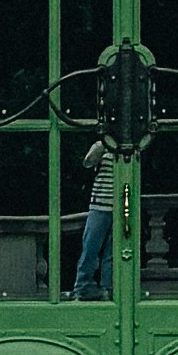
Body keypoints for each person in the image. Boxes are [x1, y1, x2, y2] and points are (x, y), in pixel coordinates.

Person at [71, 129, 117, 300]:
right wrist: (102, 146)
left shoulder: (128, 147)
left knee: (112, 252)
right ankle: (82, 286)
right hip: (99, 207)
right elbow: (87, 162)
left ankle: (108, 287)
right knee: (90, 248)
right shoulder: (102, 146)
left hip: (119, 207)